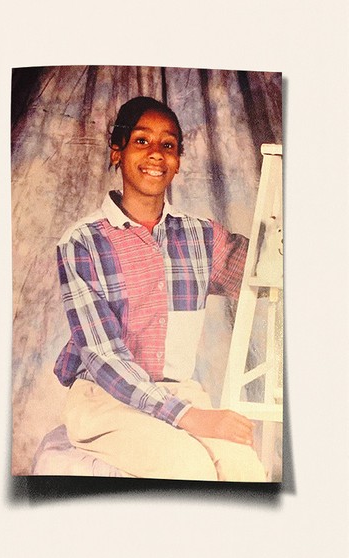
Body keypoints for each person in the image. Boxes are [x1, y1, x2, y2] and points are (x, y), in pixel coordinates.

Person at [54, 96, 266, 481]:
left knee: (245, 469)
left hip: (178, 391)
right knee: (187, 467)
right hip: (105, 398)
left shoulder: (201, 237)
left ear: (178, 160)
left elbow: (265, 268)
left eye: (167, 145)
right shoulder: (82, 242)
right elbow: (104, 356)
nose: (156, 154)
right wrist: (191, 417)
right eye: (141, 141)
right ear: (117, 151)